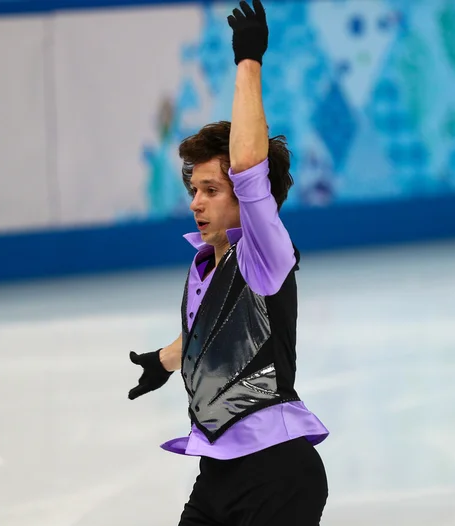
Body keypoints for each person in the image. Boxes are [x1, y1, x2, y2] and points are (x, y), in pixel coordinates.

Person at [128, 1, 329, 524]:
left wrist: (248, 60)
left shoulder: (265, 254)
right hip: (216, 475)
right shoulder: (204, 265)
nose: (196, 201)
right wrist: (166, 359)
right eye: (193, 188)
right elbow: (214, 330)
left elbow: (247, 165)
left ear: (246, 200)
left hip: (276, 473)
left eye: (212, 189)